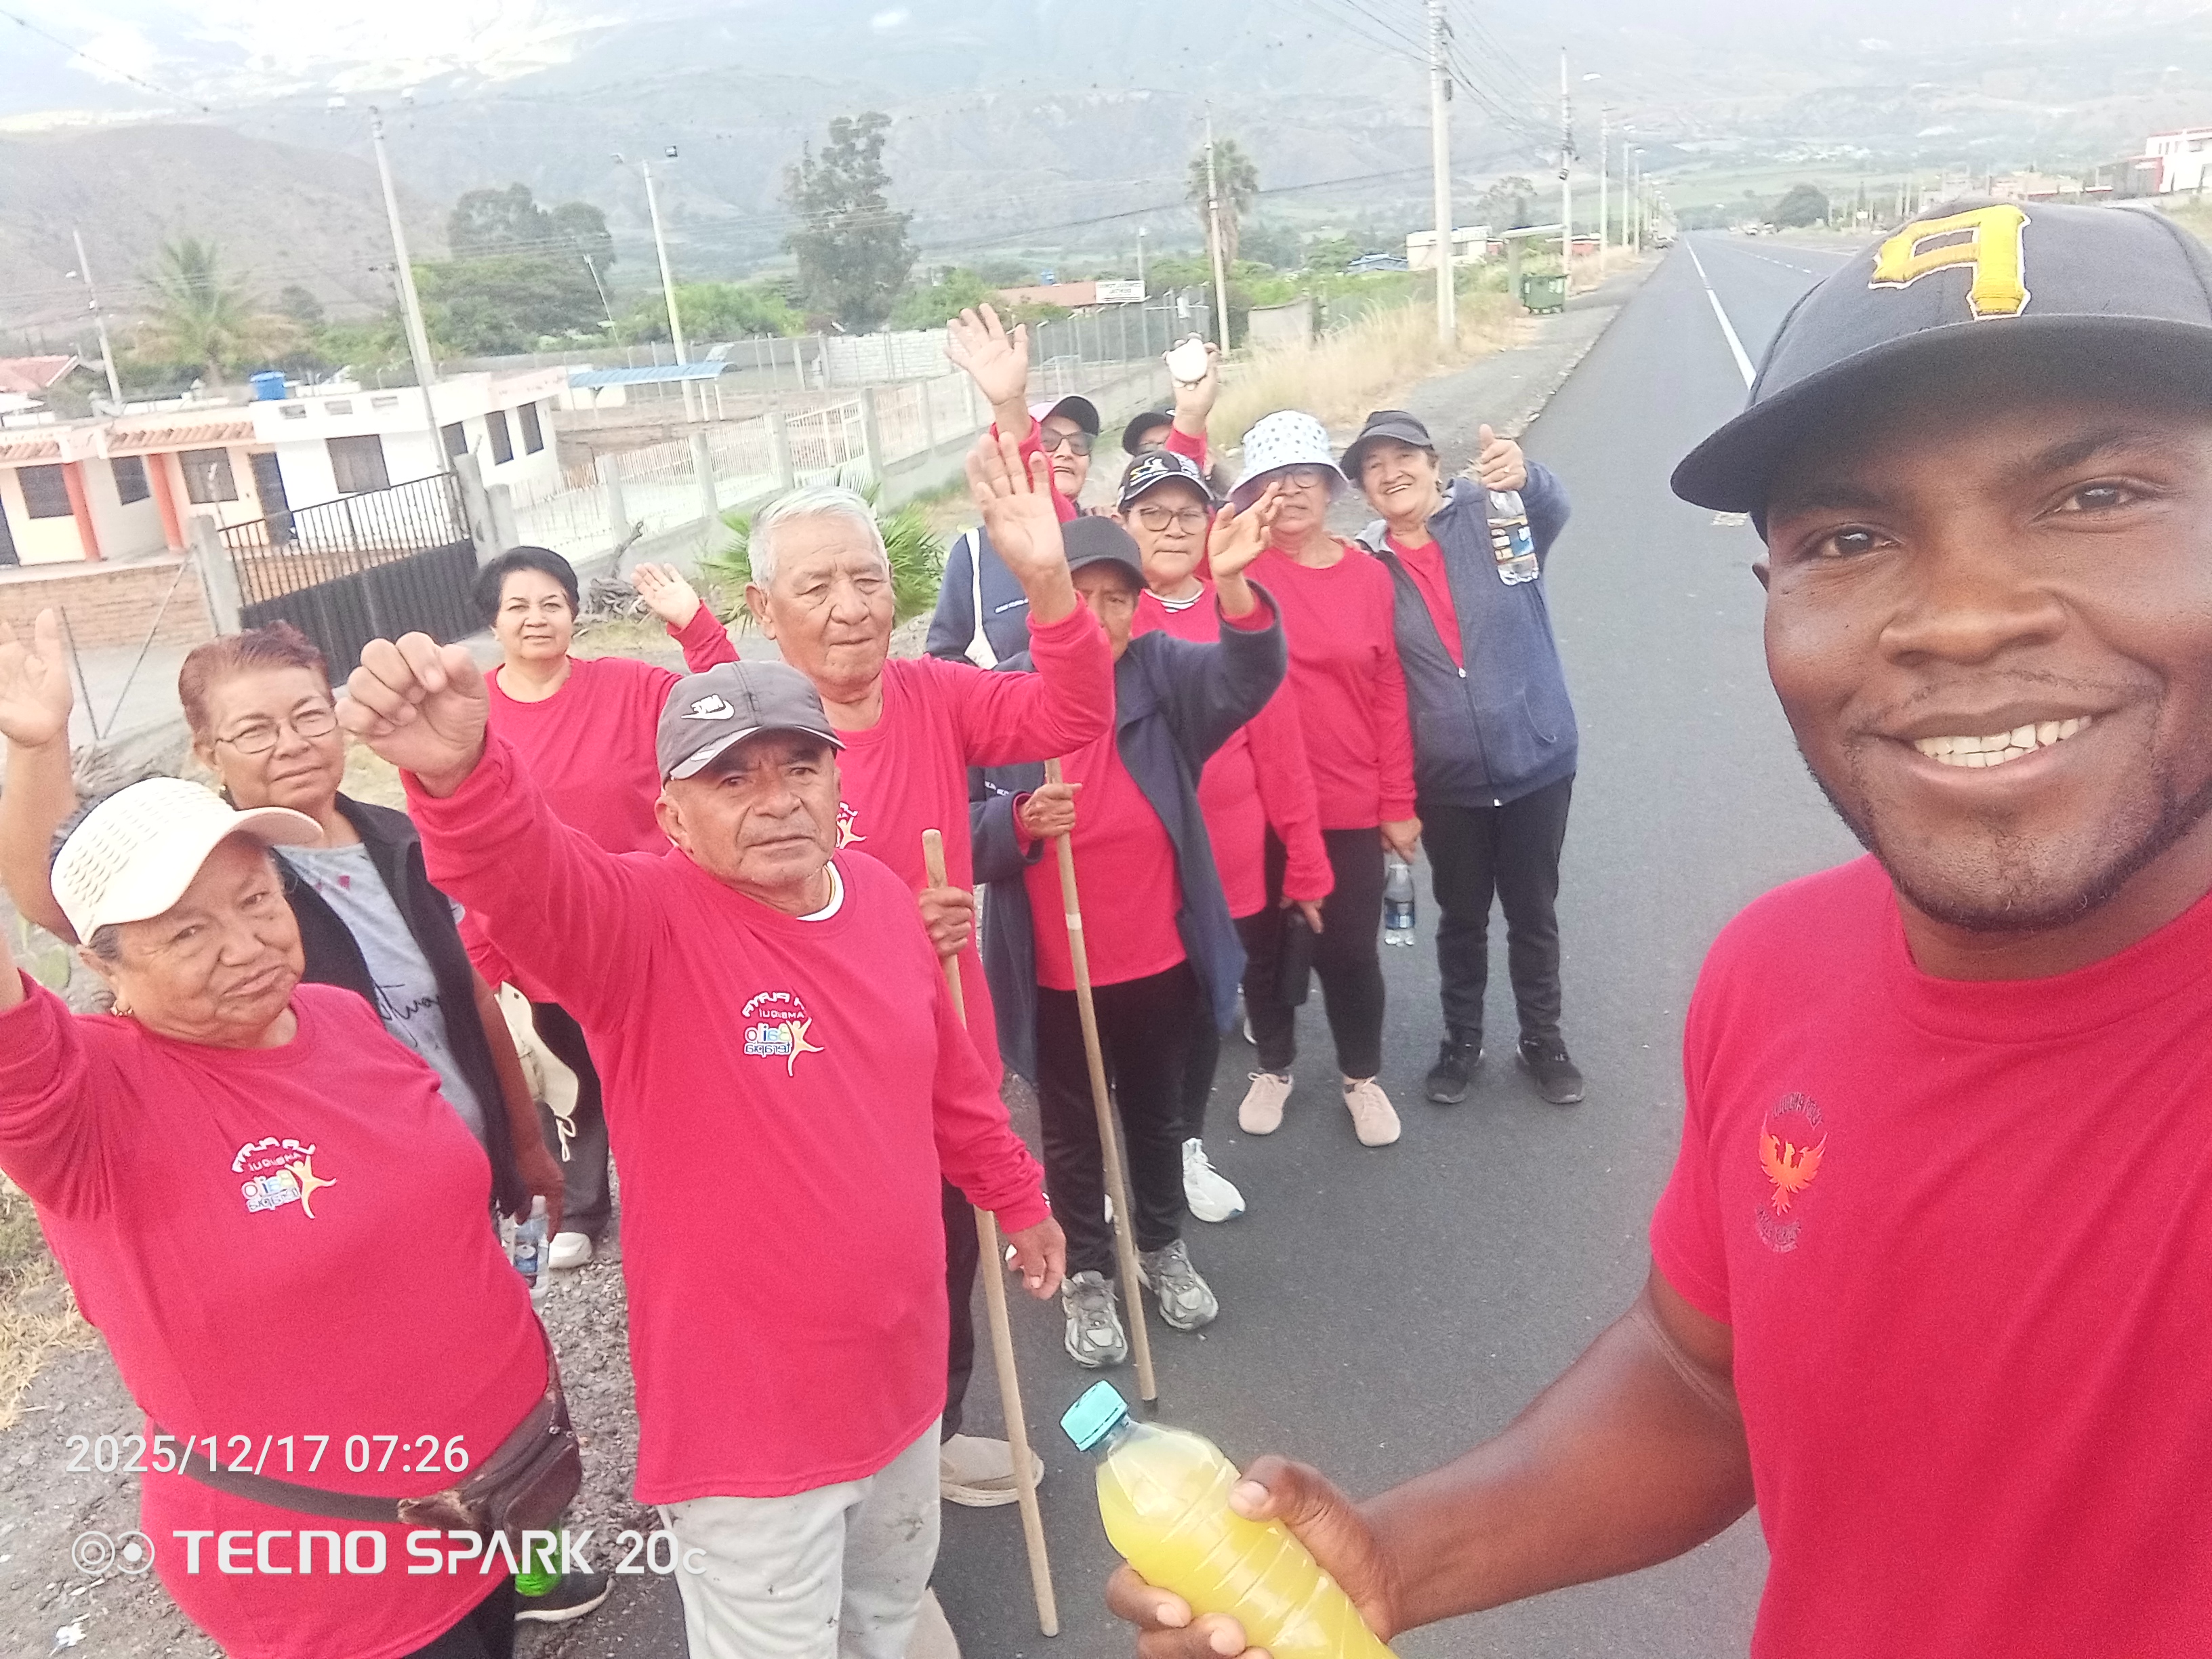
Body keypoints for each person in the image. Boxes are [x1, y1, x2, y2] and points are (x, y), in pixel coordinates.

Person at [1109, 200, 2212, 1657]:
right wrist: (1388, 1558)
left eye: (2094, 497)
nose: (1961, 619)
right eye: (1851, 535)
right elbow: (1702, 1380)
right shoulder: (1773, 972)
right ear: (1774, 596)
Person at [339, 636, 1066, 1659]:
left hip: (901, 1387)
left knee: (889, 1616)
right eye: (731, 779)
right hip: (751, 1433)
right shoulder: (636, 929)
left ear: (837, 785)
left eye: (799, 767)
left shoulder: (881, 899)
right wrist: (462, 775)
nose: (776, 801)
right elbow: (524, 872)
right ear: (672, 817)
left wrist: (1020, 1198)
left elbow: (950, 1087)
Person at [631, 438, 1112, 1511]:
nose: (850, 608)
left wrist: (1047, 585)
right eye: (817, 587)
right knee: (831, 1284)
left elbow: (1071, 716)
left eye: (867, 579)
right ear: (764, 609)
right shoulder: (735, 753)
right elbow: (710, 913)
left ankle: (927, 1446)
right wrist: (890, 920)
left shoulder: (934, 693)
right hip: (800, 1080)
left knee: (940, 1270)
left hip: (939, 1052)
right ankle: (834, 1485)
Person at [0, 775, 558, 1659]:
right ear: (104, 966)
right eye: (188, 931)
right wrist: (34, 750)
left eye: (257, 898)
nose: (246, 944)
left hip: (508, 1489)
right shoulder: (90, 1110)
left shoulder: (339, 1016)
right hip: (336, 1567)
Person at [973, 503, 1286, 1368]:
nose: (1101, 614)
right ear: (1047, 598)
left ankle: (1160, 1246)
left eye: (1118, 597)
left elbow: (1249, 676)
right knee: (1073, 1132)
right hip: (1055, 971)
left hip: (1161, 959)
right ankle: (1087, 1272)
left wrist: (1233, 586)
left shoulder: (1164, 676)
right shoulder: (1003, 696)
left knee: (1156, 1119)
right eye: (1081, 594)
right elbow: (956, 827)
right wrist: (1017, 821)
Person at [467, 547, 735, 1271]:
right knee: (570, 1080)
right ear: (493, 622)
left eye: (552, 603)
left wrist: (695, 626)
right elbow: (461, 835)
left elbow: (726, 709)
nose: (536, 618)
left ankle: (694, 1194)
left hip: (645, 923)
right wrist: (485, 950)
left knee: (671, 1073)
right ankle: (580, 1209)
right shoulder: (472, 717)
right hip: (539, 938)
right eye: (518, 607)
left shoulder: (630, 686)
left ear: (576, 614)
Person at [1346, 410, 1584, 1107]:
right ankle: (1463, 1040)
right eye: (1373, 465)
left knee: (1533, 911)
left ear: (1433, 463)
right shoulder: (1366, 568)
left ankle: (1543, 1038)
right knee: (1462, 917)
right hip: (1445, 780)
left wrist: (1525, 474)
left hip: (1536, 756)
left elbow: (1552, 506)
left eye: (1403, 457)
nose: (1391, 473)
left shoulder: (1493, 511)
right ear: (1363, 488)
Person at [1120, 449, 1333, 1223]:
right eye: (1153, 514)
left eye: (1189, 513)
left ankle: (1182, 1151)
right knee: (1135, 1024)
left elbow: (1282, 752)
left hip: (1230, 867)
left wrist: (1305, 862)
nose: (1173, 528)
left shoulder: (1240, 612)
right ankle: (1121, 1163)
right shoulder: (1104, 616)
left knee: (1205, 1017)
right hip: (1141, 873)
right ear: (1122, 523)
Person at [1229, 411, 1419, 1149]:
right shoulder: (1235, 574)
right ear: (1252, 492)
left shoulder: (1367, 575)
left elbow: (1389, 692)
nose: (1291, 490)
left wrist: (1398, 801)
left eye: (1305, 474)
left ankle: (1361, 1077)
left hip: (1348, 800)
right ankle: (1273, 1066)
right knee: (1262, 950)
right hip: (1255, 806)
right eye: (1274, 477)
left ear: (1329, 487)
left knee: (1349, 953)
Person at [926, 308, 1218, 666]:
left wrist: (1190, 418)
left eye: (1080, 444)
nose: (1174, 529)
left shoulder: (1098, 541)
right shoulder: (979, 549)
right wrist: (1010, 405)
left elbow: (1172, 486)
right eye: (1048, 441)